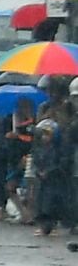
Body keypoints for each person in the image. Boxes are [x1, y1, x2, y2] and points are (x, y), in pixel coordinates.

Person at [30, 93, 77, 239]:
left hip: (56, 179)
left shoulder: (60, 147)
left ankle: (53, 225)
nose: (44, 137)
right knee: (41, 203)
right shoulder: (39, 148)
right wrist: (39, 171)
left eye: (47, 134)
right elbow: (36, 161)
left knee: (54, 203)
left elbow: (63, 161)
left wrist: (50, 171)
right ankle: (44, 225)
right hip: (43, 180)